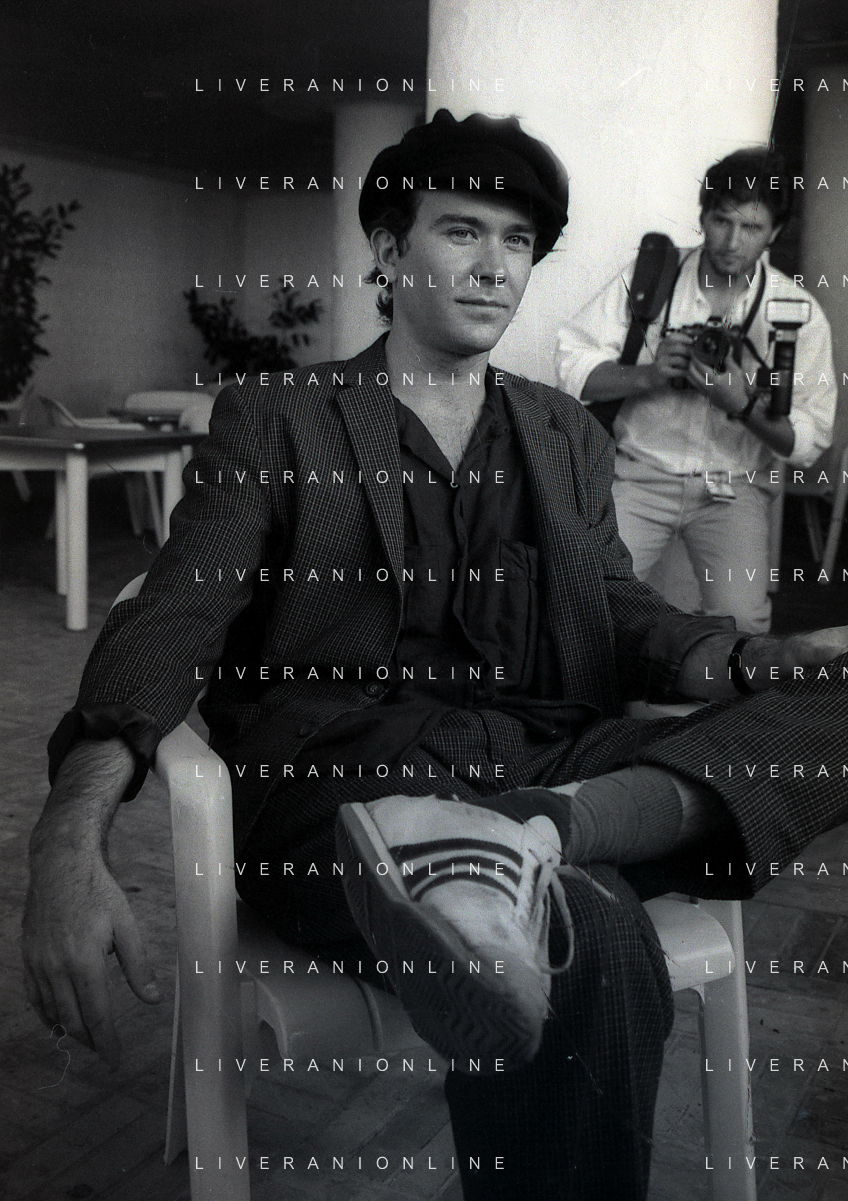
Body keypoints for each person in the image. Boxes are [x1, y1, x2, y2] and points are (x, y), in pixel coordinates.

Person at [21, 112, 848, 1201]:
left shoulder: (561, 431)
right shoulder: (280, 417)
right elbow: (175, 615)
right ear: (388, 249)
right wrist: (68, 834)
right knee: (587, 934)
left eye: (517, 241)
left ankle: (540, 833)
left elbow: (616, 610)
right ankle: (525, 858)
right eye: (462, 231)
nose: (496, 266)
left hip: (542, 755)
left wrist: (754, 660)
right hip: (345, 783)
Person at [557, 148, 836, 632]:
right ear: (703, 217)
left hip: (734, 487)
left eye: (751, 228)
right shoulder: (653, 278)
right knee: (586, 602)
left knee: (741, 623)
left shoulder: (796, 311)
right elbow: (569, 361)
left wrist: (742, 404)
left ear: (774, 233)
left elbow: (810, 443)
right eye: (722, 221)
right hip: (640, 474)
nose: (732, 241)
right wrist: (649, 374)